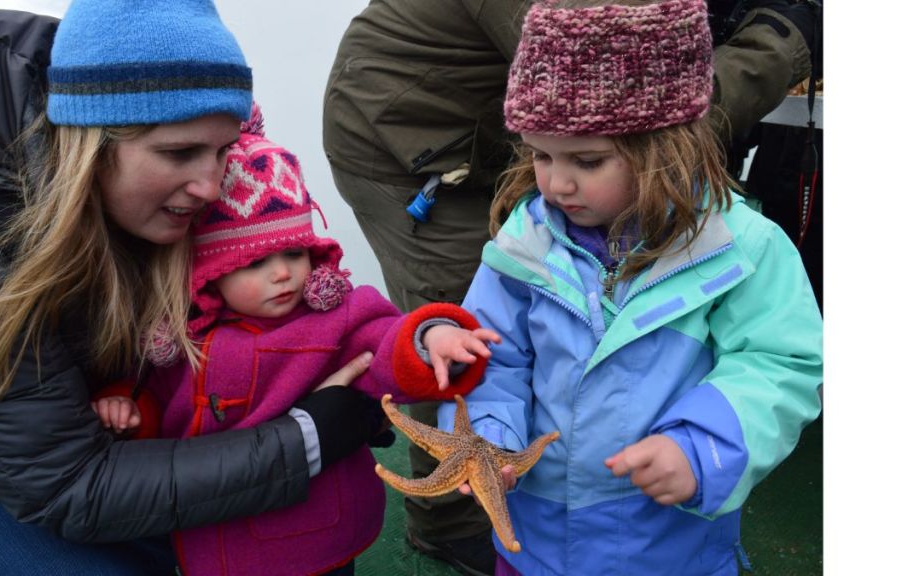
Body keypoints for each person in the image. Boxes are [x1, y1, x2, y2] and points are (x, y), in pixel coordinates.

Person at [321, 1, 816, 573]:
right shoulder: (525, 241)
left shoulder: (740, 249)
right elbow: (496, 358)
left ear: (666, 147)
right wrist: (493, 439)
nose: (555, 183)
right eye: (539, 154)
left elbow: (781, 363)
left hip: (669, 549)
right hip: (539, 545)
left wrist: (703, 446)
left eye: (586, 159)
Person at [0, 1, 388, 574]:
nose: (213, 186)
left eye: (222, 150)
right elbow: (63, 484)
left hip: (92, 430)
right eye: (179, 152)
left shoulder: (121, 99)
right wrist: (308, 436)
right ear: (89, 142)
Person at [93, 118, 502, 575]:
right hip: (216, 540)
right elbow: (157, 400)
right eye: (256, 261)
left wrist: (430, 338)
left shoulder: (334, 319)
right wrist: (131, 412)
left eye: (293, 253)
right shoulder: (179, 340)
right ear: (209, 270)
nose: (283, 273)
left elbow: (385, 343)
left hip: (317, 536)